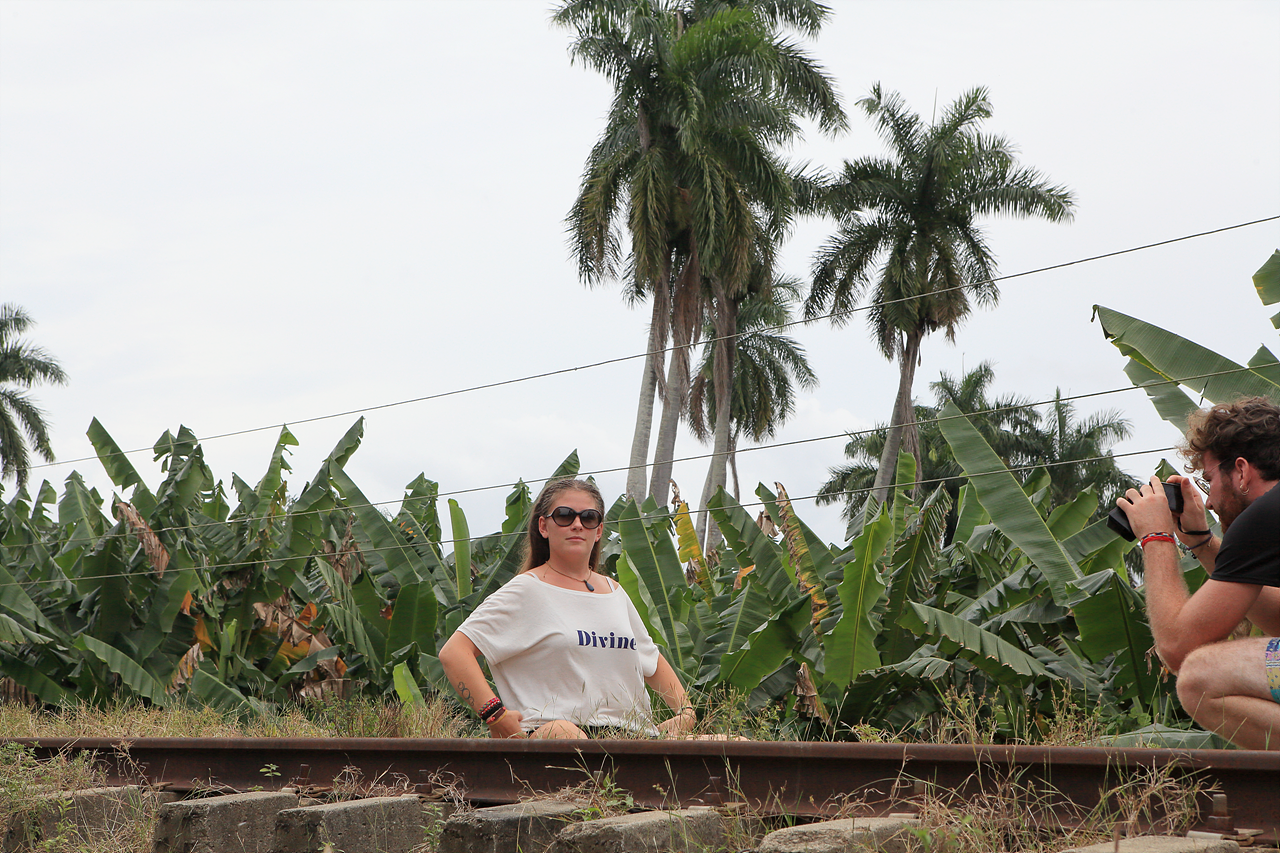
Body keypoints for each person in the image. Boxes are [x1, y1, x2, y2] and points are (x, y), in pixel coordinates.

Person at [438, 477, 697, 739]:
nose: (577, 524)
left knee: (721, 745)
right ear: (543, 526)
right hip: (558, 735)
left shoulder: (614, 592)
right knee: (565, 733)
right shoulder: (527, 589)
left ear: (598, 530)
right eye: (564, 516)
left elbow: (650, 658)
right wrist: (495, 715)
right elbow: (454, 653)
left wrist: (686, 712)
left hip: (630, 738)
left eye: (588, 518)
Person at [1118, 396, 1280, 749]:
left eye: (1209, 480)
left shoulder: (1263, 516)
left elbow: (1177, 648)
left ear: (1241, 471)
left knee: (1199, 675)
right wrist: (1201, 542)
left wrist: (1156, 536)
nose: (1208, 501)